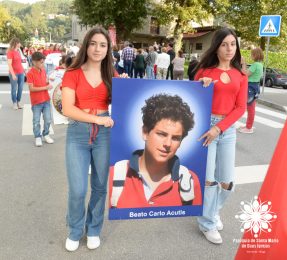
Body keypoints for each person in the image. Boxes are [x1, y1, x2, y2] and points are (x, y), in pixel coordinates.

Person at [61, 27, 118, 252]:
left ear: (108, 49)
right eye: (93, 43)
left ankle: (93, 229)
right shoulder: (72, 73)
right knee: (77, 189)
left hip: (104, 135)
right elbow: (67, 108)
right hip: (78, 133)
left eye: (103, 45)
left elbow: (136, 96)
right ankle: (75, 230)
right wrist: (98, 120)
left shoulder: (112, 74)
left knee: (100, 186)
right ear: (87, 45)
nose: (97, 49)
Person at [194, 27, 247, 244]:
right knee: (208, 180)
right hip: (205, 128)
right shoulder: (204, 72)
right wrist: (201, 87)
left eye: (232, 44)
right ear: (216, 47)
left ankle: (214, 211)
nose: (229, 49)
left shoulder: (240, 75)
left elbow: (241, 107)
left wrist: (220, 128)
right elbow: (191, 101)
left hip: (226, 130)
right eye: (224, 44)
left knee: (226, 181)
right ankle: (207, 223)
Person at [109, 94, 202, 208]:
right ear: (145, 132)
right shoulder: (114, 175)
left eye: (175, 138)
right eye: (161, 134)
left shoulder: (190, 181)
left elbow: (189, 221)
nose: (168, 144)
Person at [26, 52, 54, 147]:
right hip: (36, 102)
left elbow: (45, 82)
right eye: (41, 62)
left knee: (48, 119)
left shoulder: (43, 71)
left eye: (43, 62)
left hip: (46, 100)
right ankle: (38, 137)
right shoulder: (30, 73)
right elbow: (31, 88)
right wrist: (45, 88)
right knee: (36, 121)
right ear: (34, 62)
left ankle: (46, 134)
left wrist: (49, 81)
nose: (43, 64)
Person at [239, 48, 264, 134]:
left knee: (249, 108)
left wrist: (243, 63)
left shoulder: (255, 65)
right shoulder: (260, 64)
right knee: (251, 107)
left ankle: (249, 128)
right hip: (255, 86)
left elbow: (245, 73)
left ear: (255, 55)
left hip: (251, 87)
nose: (251, 55)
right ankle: (248, 126)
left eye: (252, 54)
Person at [7, 37, 25, 110]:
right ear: (16, 43)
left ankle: (18, 102)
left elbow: (19, 63)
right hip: (13, 73)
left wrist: (24, 70)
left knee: (20, 88)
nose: (20, 44)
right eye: (19, 43)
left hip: (21, 72)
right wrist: (13, 74)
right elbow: (9, 64)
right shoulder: (10, 52)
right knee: (14, 88)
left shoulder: (18, 51)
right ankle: (14, 103)